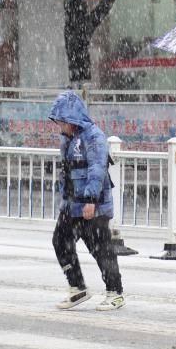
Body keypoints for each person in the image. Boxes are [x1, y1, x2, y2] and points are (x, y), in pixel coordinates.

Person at [48, 90, 124, 311]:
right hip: (72, 204)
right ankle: (77, 286)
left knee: (101, 249)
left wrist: (90, 200)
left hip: (93, 205)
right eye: (58, 121)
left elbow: (97, 170)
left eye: (63, 121)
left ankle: (115, 292)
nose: (60, 126)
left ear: (73, 118)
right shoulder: (67, 140)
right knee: (60, 241)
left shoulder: (94, 137)